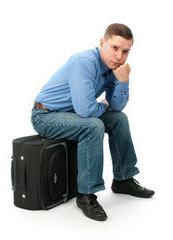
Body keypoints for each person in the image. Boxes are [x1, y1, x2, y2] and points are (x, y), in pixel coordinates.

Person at [31, 23, 155, 221]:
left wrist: (123, 82)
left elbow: (117, 107)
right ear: (102, 43)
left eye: (125, 51)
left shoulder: (114, 68)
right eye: (114, 48)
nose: (119, 56)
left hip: (73, 115)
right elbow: (86, 110)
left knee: (119, 120)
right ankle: (86, 195)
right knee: (93, 125)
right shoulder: (84, 61)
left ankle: (123, 179)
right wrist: (103, 106)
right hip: (45, 116)